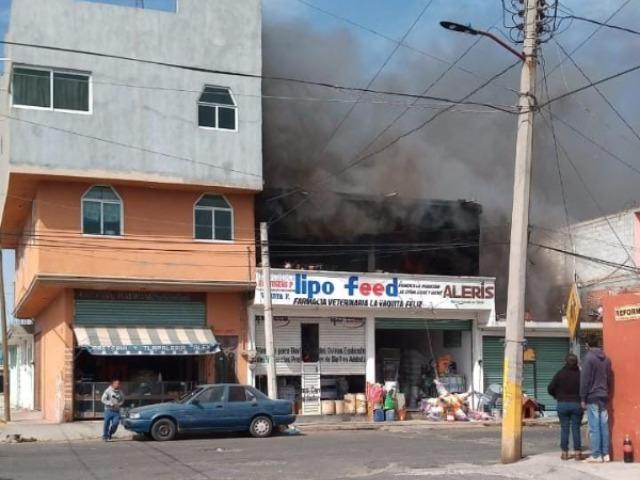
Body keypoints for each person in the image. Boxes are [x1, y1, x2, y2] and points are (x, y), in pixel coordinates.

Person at [580, 334, 613, 463]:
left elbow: (584, 380)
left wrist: (582, 397)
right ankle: (605, 454)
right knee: (604, 426)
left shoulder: (588, 359)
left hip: (592, 396)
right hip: (604, 395)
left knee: (594, 427)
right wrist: (607, 392)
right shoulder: (607, 359)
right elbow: (609, 379)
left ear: (587, 345)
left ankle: (596, 455)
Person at [548, 353, 583, 460]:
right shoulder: (580, 375)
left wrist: (557, 396)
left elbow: (550, 388)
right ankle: (577, 453)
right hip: (576, 403)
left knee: (564, 428)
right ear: (577, 362)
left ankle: (564, 453)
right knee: (576, 428)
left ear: (565, 362)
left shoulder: (560, 374)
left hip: (562, 403)